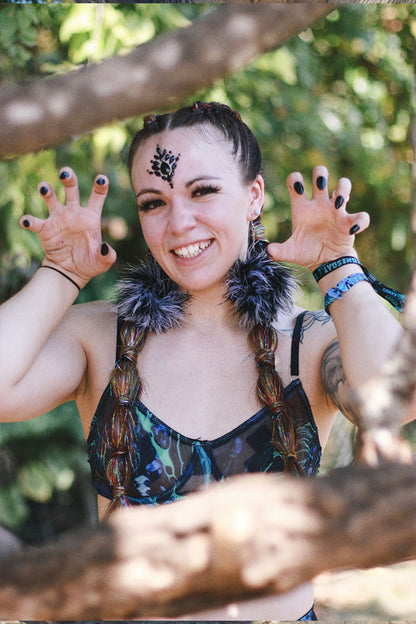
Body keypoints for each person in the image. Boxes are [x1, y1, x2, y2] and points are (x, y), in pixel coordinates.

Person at [0, 101, 407, 621]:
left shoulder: (311, 343)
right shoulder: (102, 337)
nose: (179, 222)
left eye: (203, 190)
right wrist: (59, 274)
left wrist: (339, 269)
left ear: (254, 196)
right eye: (154, 203)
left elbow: (396, 402)